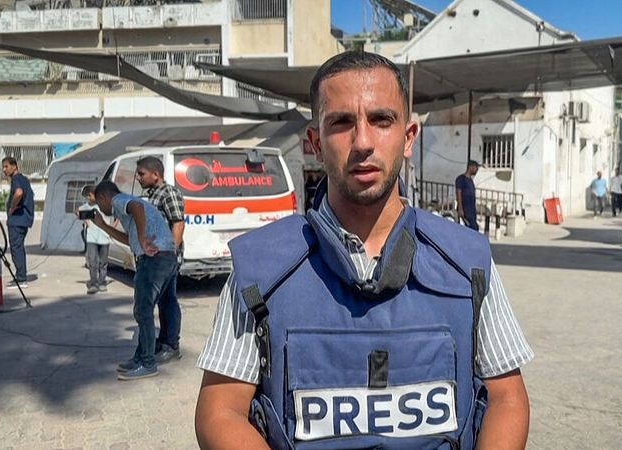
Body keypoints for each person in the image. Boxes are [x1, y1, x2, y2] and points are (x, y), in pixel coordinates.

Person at [195, 51, 533, 450]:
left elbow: (506, 397)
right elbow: (220, 412)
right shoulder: (259, 269)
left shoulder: (468, 261)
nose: (363, 142)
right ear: (315, 143)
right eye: (342, 122)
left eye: (381, 119)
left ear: (408, 138)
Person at [91, 181, 177, 381]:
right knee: (147, 309)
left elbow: (137, 209)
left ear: (104, 197)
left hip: (154, 259)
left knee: (143, 310)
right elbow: (130, 240)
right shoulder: (127, 208)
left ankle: (147, 363)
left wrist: (143, 238)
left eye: (98, 203)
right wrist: (102, 226)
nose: (101, 209)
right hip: (166, 256)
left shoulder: (119, 200)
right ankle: (141, 357)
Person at [136, 156, 185, 364]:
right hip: (156, 258)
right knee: (163, 301)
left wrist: (169, 253)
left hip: (166, 259)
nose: (138, 178)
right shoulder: (154, 194)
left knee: (168, 301)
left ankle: (171, 345)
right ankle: (163, 340)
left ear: (156, 174)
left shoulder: (169, 193)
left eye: (141, 174)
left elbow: (179, 223)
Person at [75, 185, 116, 294]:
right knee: (93, 262)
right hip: (91, 237)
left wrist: (112, 228)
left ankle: (102, 282)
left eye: (90, 195)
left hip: (105, 237)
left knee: (103, 262)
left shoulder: (107, 205)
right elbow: (77, 211)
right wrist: (86, 221)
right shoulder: (88, 205)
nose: (88, 198)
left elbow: (117, 217)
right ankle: (94, 284)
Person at [2, 157, 34, 288]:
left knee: (16, 248)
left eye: (7, 166)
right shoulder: (24, 179)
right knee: (19, 247)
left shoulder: (17, 180)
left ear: (15, 166)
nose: (5, 169)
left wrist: (13, 208)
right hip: (24, 219)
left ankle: (21, 278)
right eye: (3, 167)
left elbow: (19, 193)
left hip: (17, 219)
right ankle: (21, 275)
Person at [456, 160, 480, 230]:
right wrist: (460, 208)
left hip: (471, 209)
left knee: (473, 227)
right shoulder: (461, 179)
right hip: (465, 208)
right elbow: (458, 193)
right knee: (472, 227)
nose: (476, 170)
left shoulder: (470, 181)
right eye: (476, 168)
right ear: (471, 167)